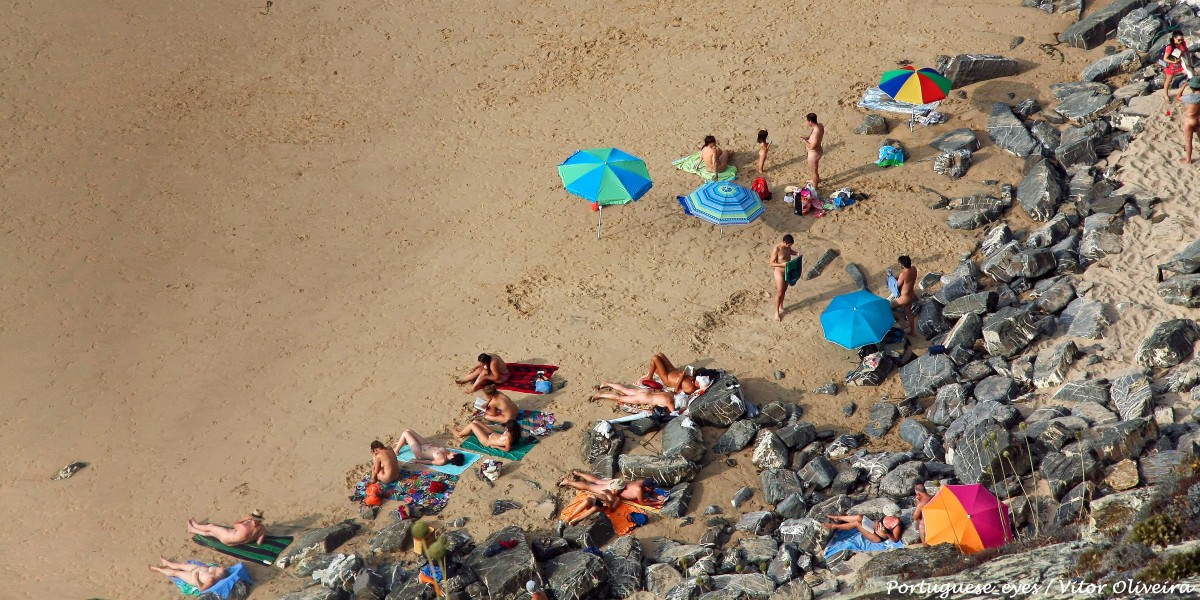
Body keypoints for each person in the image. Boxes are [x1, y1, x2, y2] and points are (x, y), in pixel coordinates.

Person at [560, 470, 666, 505]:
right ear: (646, 487)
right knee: (589, 486)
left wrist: (657, 495)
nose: (653, 489)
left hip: (618, 483)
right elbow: (642, 503)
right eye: (652, 488)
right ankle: (567, 482)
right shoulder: (638, 490)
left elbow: (649, 491)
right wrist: (657, 502)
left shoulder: (642, 482)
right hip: (614, 489)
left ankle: (578, 473)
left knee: (597, 481)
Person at [589, 382, 690, 413]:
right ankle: (600, 395)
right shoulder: (669, 402)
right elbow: (674, 413)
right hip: (643, 398)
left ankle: (606, 383)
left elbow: (677, 391)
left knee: (625, 390)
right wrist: (683, 409)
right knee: (619, 398)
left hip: (645, 391)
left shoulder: (671, 394)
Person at [186, 510, 266, 546]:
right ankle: (193, 529)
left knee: (211, 527)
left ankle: (195, 526)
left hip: (226, 537)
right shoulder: (262, 529)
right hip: (233, 544)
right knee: (211, 533)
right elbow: (259, 543)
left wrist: (244, 519)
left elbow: (235, 524)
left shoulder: (243, 527)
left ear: (251, 518)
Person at [394, 429, 465, 466]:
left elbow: (429, 462)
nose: (455, 452)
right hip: (426, 444)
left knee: (405, 433)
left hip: (420, 452)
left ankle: (396, 451)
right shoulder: (448, 452)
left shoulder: (442, 461)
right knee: (409, 430)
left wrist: (416, 460)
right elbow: (437, 448)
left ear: (453, 458)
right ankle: (403, 442)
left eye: (455, 454)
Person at [149, 557, 227, 591]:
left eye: (221, 568)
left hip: (192, 577)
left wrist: (196, 579)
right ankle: (167, 563)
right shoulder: (215, 571)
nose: (221, 567)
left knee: (175, 573)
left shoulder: (211, 579)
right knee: (181, 565)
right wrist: (207, 567)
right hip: (198, 569)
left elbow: (202, 589)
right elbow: (211, 568)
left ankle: (157, 569)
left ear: (219, 574)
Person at [641, 353, 706, 393]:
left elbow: (676, 390)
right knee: (660, 355)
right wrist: (693, 371)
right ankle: (656, 370)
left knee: (655, 358)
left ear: (699, 385)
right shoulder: (694, 379)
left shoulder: (690, 388)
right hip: (673, 371)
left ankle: (649, 377)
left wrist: (681, 377)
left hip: (667, 378)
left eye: (698, 381)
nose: (697, 379)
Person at [769, 235, 798, 322]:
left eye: (790, 245)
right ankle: (776, 312)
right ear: (784, 242)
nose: (789, 246)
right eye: (788, 245)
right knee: (780, 292)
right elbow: (771, 263)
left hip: (787, 271)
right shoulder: (777, 249)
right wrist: (782, 264)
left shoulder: (788, 247)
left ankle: (781, 306)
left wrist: (797, 253)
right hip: (779, 272)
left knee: (784, 290)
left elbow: (790, 252)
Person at [823, 513, 903, 543]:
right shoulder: (888, 515)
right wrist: (876, 523)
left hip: (876, 537)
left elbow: (895, 540)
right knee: (859, 517)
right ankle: (838, 518)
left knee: (857, 523)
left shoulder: (897, 526)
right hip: (873, 527)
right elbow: (880, 521)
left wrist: (887, 533)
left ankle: (834, 526)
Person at [454, 418, 521, 452]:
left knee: (472, 425)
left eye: (507, 427)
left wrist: (496, 447)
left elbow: (507, 449)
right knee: (475, 421)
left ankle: (459, 434)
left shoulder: (508, 438)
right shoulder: (515, 432)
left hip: (487, 440)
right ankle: (465, 431)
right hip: (492, 434)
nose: (506, 427)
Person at [891, 255, 917, 335]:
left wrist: (892, 279)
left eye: (899, 263)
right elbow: (907, 281)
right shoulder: (914, 269)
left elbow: (898, 286)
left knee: (890, 307)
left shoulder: (903, 274)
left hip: (904, 297)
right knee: (908, 312)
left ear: (902, 265)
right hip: (911, 295)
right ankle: (912, 331)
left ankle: (903, 322)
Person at [1177, 77, 1200, 165]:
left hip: (1190, 120)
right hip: (1199, 119)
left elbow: (1178, 97)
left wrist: (1183, 86)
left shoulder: (1191, 97)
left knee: (1188, 140)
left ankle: (1188, 159)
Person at [1164, 32, 1191, 105]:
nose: (1180, 41)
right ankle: (1166, 96)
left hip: (1181, 65)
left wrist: (1189, 61)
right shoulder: (1170, 47)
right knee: (1168, 81)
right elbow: (1165, 58)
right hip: (1171, 67)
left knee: (1191, 75)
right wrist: (1173, 61)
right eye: (1179, 40)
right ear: (1174, 38)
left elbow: (1186, 51)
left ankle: (1182, 90)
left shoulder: (1182, 43)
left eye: (1182, 39)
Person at [802, 113, 824, 191]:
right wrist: (808, 138)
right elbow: (814, 138)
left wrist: (805, 141)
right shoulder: (820, 126)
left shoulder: (816, 132)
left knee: (814, 171)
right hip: (818, 150)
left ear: (810, 122)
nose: (807, 123)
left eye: (807, 121)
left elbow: (812, 146)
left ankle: (815, 186)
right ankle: (815, 180)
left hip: (814, 154)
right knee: (814, 170)